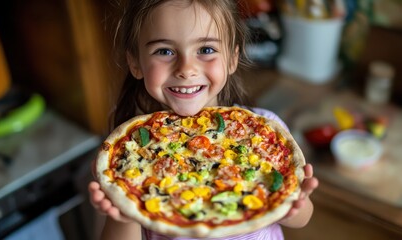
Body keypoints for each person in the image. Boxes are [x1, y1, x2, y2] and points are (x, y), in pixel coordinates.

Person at [88, 0, 319, 239]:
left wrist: (293, 203)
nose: (186, 69)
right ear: (135, 63)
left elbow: (303, 219)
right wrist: (123, 215)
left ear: (232, 58)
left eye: (206, 49)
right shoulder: (127, 158)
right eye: (165, 51)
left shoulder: (265, 132)